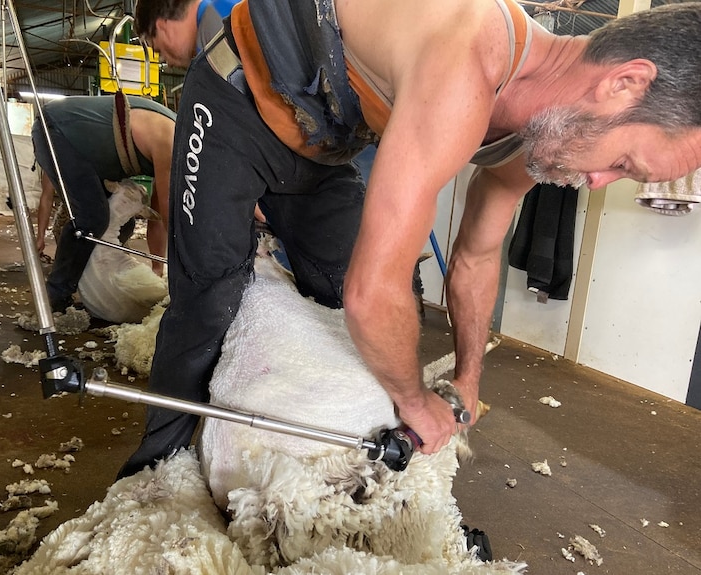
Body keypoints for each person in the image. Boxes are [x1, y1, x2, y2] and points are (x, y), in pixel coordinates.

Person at [118, 0, 701, 478]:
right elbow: (374, 296)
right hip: (234, 101)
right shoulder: (468, 55)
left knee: (336, 288)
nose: (598, 183)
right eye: (625, 163)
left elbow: (475, 256)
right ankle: (154, 472)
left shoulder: (538, 137)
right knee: (210, 292)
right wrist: (416, 401)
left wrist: (467, 377)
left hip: (324, 147)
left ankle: (305, 461)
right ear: (625, 83)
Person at [32, 93, 175, 313]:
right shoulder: (174, 143)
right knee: (93, 217)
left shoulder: (179, 144)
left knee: (124, 224)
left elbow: (158, 217)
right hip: (58, 130)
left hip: (84, 144)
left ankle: (93, 279)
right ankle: (56, 295)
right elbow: (170, 216)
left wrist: (158, 270)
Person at [133, 0, 238, 68]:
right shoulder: (226, 7)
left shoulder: (215, 35)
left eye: (160, 52)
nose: (168, 64)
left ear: (162, 27)